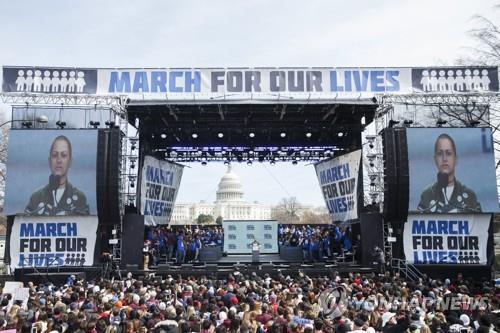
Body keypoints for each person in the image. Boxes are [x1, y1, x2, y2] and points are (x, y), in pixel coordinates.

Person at [25, 135, 89, 216]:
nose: (59, 160)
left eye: (64, 155)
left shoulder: (79, 198)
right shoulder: (36, 197)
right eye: (55, 155)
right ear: (49, 161)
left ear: (70, 161)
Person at [417, 133, 481, 213]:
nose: (444, 159)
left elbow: (482, 223)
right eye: (440, 154)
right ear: (435, 159)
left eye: (449, 153)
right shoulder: (427, 194)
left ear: (456, 159)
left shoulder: (469, 195)